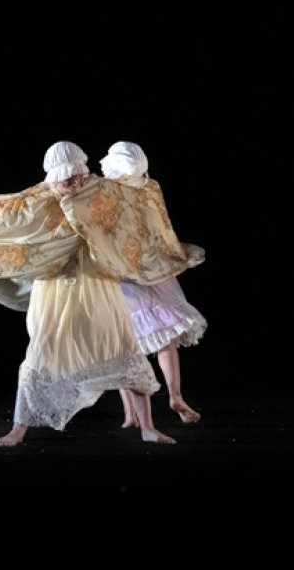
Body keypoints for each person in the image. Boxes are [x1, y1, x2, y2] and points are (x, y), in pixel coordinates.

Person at [0, 141, 177, 447]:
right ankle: (18, 428)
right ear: (55, 177)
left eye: (78, 176)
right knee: (41, 349)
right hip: (56, 290)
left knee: (122, 343)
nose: (75, 183)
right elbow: (15, 228)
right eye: (68, 179)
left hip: (97, 283)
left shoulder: (96, 192)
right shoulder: (41, 200)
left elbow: (129, 204)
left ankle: (147, 427)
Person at [100, 141, 207, 427]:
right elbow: (161, 228)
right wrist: (173, 254)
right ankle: (174, 395)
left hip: (124, 271)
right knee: (164, 336)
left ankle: (131, 413)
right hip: (154, 267)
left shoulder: (107, 192)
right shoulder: (149, 187)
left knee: (125, 342)